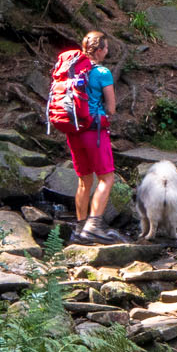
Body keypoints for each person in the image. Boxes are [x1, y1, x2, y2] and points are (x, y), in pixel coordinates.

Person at [60, 30, 122, 244]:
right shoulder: (103, 72)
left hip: (73, 130)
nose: (107, 52)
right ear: (99, 50)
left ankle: (79, 228)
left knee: (84, 180)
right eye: (106, 48)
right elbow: (112, 108)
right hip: (93, 131)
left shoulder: (72, 68)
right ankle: (94, 226)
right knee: (107, 178)